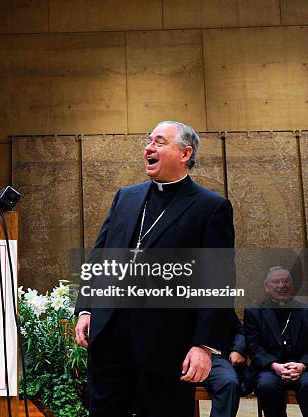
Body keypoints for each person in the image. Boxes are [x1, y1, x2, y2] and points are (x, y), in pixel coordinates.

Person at [75, 120, 235, 417]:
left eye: (159, 142)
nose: (149, 147)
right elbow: (99, 257)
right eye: (149, 141)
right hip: (111, 333)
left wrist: (204, 345)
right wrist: (86, 308)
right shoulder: (126, 197)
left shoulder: (210, 207)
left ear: (185, 154)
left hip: (168, 341)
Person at [244, 266, 308, 417]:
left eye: (286, 281)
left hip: (304, 367)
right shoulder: (254, 312)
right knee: (266, 385)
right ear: (266, 287)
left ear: (293, 286)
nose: (281, 286)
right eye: (276, 282)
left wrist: (302, 365)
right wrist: (274, 365)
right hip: (270, 368)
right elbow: (253, 347)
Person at [204, 310, 248, 417]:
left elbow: (239, 332)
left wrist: (238, 349)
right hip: (177, 357)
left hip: (214, 356)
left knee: (228, 382)